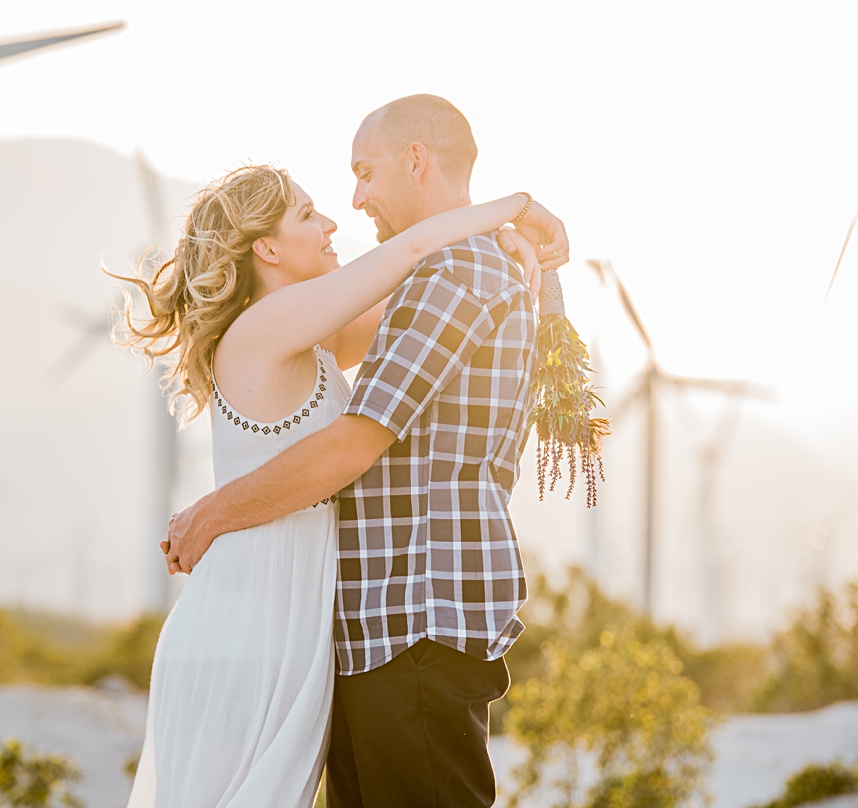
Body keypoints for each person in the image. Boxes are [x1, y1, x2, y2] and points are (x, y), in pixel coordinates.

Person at [163, 95, 567, 808]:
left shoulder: (448, 275)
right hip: (345, 618)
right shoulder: (316, 315)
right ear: (266, 248)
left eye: (363, 173)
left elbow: (354, 442)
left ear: (415, 160)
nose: (348, 207)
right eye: (311, 212)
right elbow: (404, 264)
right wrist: (514, 219)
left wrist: (510, 223)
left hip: (410, 612)